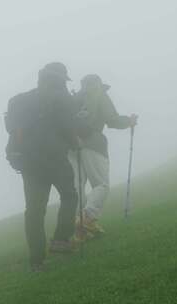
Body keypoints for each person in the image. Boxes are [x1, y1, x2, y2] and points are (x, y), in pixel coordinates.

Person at [5, 62, 79, 272]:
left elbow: (14, 129)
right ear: (58, 80)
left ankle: (36, 261)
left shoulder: (23, 101)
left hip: (28, 162)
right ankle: (61, 240)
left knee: (35, 211)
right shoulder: (61, 99)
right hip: (54, 158)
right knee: (69, 195)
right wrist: (75, 144)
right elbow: (69, 129)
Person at [69, 74, 138, 240]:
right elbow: (112, 120)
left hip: (71, 145)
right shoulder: (100, 95)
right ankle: (87, 217)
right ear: (99, 84)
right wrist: (129, 121)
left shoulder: (74, 98)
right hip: (93, 143)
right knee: (101, 184)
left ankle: (80, 227)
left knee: (78, 186)